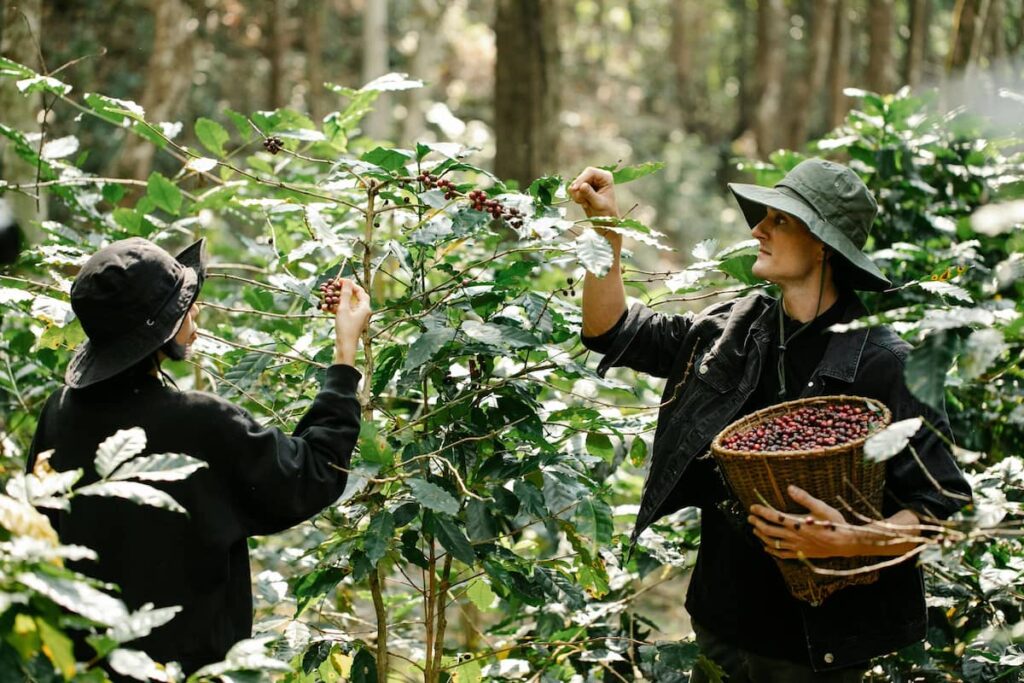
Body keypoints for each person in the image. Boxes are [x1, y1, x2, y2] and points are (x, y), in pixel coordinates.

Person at [569, 159, 972, 681]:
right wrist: (608, 231)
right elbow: (611, 330)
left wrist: (851, 539)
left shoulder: (885, 363)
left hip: (812, 649)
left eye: (781, 219)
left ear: (824, 244)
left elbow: (943, 508)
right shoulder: (731, 331)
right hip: (719, 626)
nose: (757, 227)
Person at [27, 237, 371, 676]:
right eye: (185, 304)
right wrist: (345, 356)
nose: (195, 312)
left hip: (82, 668)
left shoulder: (58, 412)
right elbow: (315, 472)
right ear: (161, 330)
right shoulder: (201, 423)